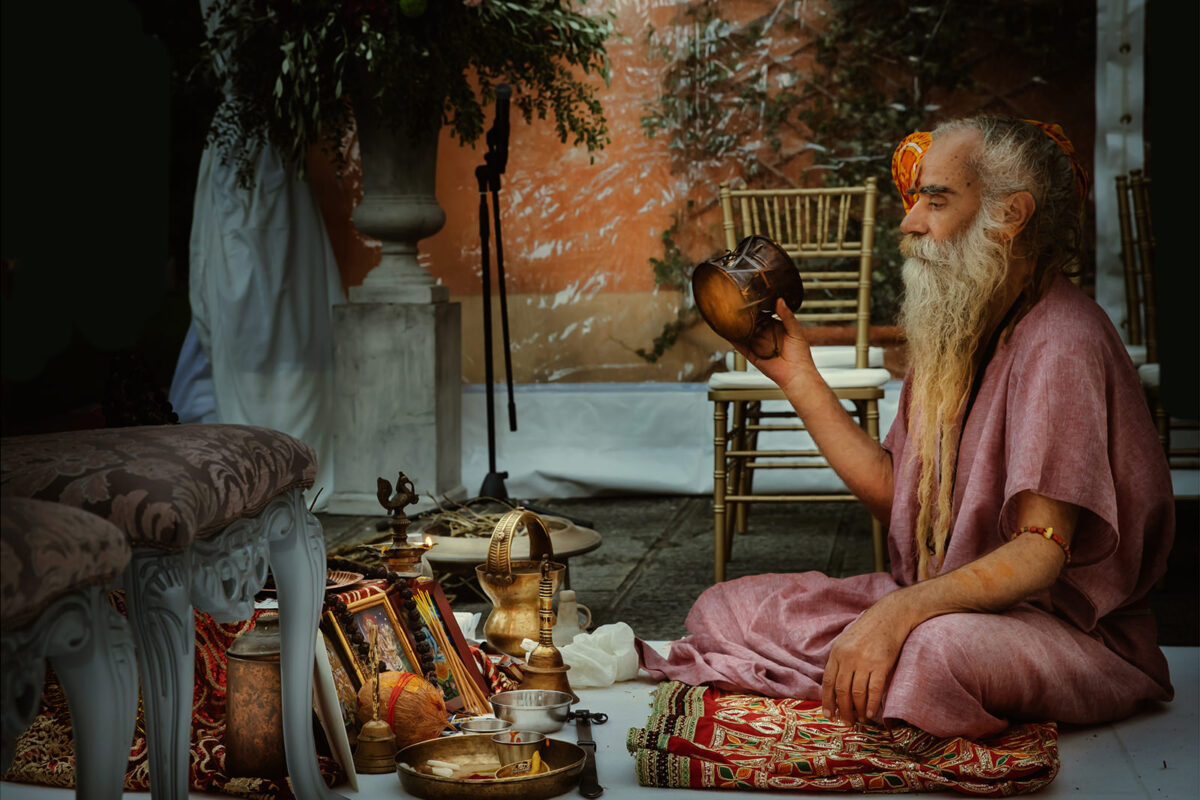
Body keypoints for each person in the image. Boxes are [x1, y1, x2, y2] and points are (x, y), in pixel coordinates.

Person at [638, 115, 1175, 739]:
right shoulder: (961, 329)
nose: (909, 220)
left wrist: (897, 616)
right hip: (942, 602)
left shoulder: (1063, 343)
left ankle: (885, 677)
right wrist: (798, 376)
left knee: (933, 654)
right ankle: (876, 677)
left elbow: (1038, 552)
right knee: (725, 609)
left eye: (936, 200)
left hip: (1055, 632)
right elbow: (901, 495)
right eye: (918, 198)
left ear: (1009, 215)